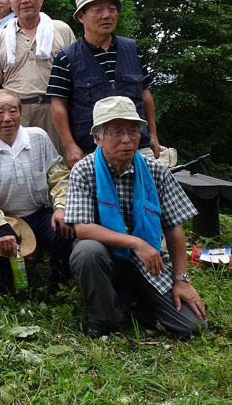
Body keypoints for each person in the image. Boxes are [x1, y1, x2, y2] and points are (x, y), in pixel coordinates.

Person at [66, 96, 206, 338]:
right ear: (98, 138)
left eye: (132, 131)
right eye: (116, 132)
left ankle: (135, 303)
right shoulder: (84, 170)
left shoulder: (156, 170)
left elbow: (174, 228)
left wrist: (181, 280)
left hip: (150, 260)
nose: (127, 139)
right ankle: (104, 317)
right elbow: (83, 229)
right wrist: (135, 243)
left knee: (193, 326)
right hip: (108, 257)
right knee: (87, 251)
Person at [47, 0, 162, 167]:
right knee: (99, 197)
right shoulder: (66, 57)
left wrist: (154, 135)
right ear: (81, 16)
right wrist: (70, 146)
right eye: (98, 10)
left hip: (137, 147)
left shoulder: (132, 49)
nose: (107, 15)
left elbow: (145, 95)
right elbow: (58, 104)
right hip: (91, 151)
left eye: (112, 9)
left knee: (145, 194)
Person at [0, 90, 73, 282]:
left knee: (65, 229)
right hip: (5, 219)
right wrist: (1, 226)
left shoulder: (39, 137)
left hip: (40, 214)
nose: (7, 118)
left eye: (13, 111)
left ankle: (60, 283)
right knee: (7, 273)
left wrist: (61, 207)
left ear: (20, 112)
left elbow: (59, 176)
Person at [0, 0, 75, 153]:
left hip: (55, 111)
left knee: (60, 168)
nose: (24, 0)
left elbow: (75, 76)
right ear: (11, 3)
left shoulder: (61, 30)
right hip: (16, 115)